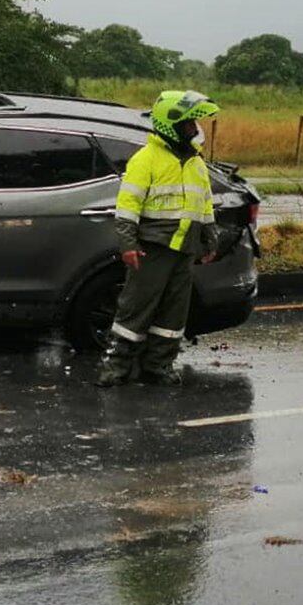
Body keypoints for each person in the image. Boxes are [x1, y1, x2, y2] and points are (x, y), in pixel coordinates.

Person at [98, 89, 222, 388]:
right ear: (173, 125)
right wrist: (128, 245)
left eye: (196, 123)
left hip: (184, 249)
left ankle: (158, 366)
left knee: (173, 313)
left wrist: (210, 238)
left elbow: (204, 205)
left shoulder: (195, 162)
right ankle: (115, 368)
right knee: (135, 308)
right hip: (153, 248)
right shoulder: (146, 159)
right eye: (190, 124)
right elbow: (127, 207)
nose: (195, 129)